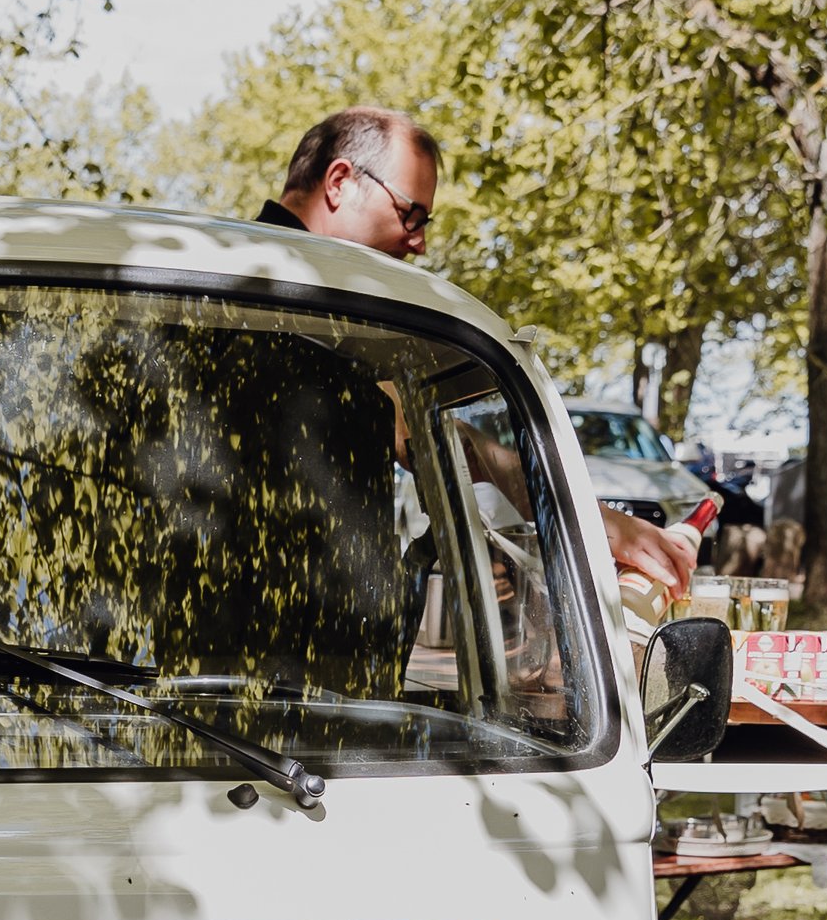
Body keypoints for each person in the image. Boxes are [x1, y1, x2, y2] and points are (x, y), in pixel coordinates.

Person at [258, 107, 693, 608]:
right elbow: (432, 441)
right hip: (256, 664)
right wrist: (595, 523)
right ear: (339, 182)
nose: (418, 244)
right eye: (410, 214)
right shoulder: (275, 299)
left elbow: (432, 437)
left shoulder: (315, 302)